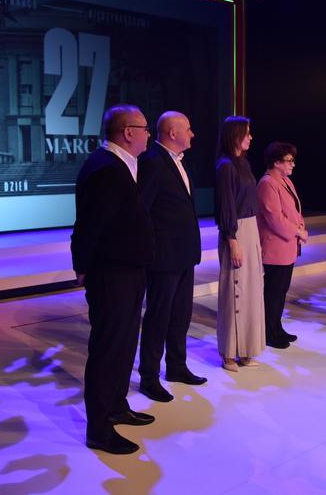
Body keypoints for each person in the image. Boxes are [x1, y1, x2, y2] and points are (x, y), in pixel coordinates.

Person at [70, 104, 155, 455]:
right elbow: (90, 225)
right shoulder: (105, 167)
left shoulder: (123, 164)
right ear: (128, 132)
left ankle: (117, 406)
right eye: (145, 128)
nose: (149, 134)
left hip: (129, 270)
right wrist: (82, 266)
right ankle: (99, 429)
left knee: (123, 343)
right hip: (111, 273)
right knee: (107, 348)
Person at [137, 111, 206, 403]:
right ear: (173, 132)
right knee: (158, 317)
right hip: (164, 257)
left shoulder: (179, 161)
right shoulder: (152, 161)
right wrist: (152, 250)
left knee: (180, 315)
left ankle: (177, 366)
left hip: (184, 254)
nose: (192, 134)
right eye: (188, 129)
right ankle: (149, 377)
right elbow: (143, 210)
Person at [214, 116, 266, 371]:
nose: (250, 137)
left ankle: (245, 348)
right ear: (234, 135)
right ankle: (229, 352)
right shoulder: (225, 166)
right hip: (236, 231)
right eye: (246, 133)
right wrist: (232, 239)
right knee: (235, 291)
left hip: (250, 228)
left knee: (251, 292)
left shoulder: (243, 163)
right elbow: (226, 205)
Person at [256, 142, 308, 349]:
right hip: (275, 246)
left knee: (281, 290)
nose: (293, 164)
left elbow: (294, 210)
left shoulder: (285, 181)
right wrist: (297, 231)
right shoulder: (267, 183)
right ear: (276, 162)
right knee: (273, 291)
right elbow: (274, 218)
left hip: (287, 246)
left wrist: (301, 226)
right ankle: (269, 331)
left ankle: (277, 327)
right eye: (289, 160)